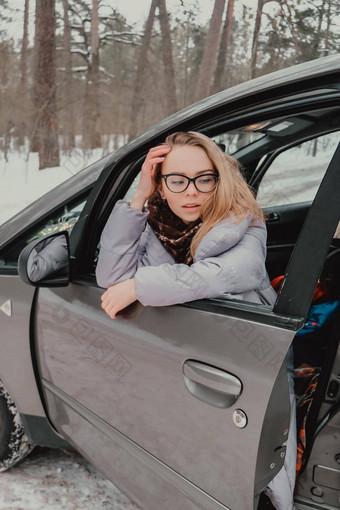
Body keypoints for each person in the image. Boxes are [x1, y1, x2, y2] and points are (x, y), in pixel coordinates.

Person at [96, 131, 296, 510]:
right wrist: (137, 198)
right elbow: (109, 278)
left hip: (248, 353)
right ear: (161, 184)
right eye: (177, 180)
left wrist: (140, 285)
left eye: (205, 179)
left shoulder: (243, 220)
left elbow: (230, 273)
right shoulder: (149, 223)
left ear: (219, 179)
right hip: (185, 352)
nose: (192, 192)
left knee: (265, 458)